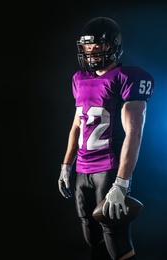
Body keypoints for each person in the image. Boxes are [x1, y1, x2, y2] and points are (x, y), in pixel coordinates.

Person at [58, 17, 154, 260]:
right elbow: (76, 125)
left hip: (107, 169)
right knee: (91, 236)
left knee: (115, 237)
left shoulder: (125, 78)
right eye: (87, 47)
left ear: (112, 46)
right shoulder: (79, 78)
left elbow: (134, 132)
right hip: (82, 169)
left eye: (97, 46)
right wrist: (66, 165)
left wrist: (121, 182)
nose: (91, 52)